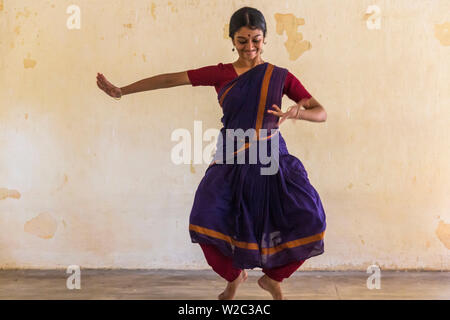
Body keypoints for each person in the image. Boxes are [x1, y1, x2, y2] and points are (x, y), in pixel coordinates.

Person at [97, 6, 327, 300]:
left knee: (311, 220)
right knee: (204, 219)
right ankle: (235, 276)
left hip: (273, 162)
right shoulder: (221, 74)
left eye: (256, 39)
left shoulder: (280, 77)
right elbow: (171, 79)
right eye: (243, 40)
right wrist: (122, 91)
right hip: (230, 161)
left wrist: (298, 114)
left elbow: (320, 112)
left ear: (265, 38)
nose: (250, 47)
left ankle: (272, 280)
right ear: (232, 39)